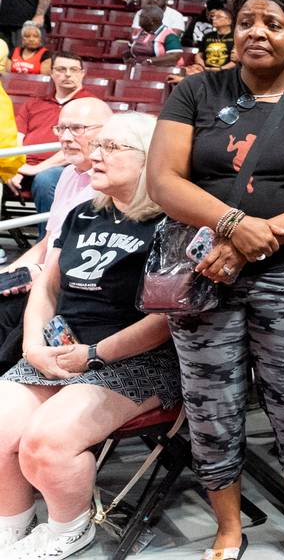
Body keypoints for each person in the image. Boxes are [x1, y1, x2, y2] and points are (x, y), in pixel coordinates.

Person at [148, 0, 284, 560]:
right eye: (246, 22)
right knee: (212, 403)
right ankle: (229, 529)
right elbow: (165, 183)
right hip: (203, 271)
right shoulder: (194, 91)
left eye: (273, 24)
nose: (257, 32)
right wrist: (234, 224)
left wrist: (256, 240)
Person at [0, 112, 179, 559]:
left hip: (136, 359)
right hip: (62, 349)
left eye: (111, 148)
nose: (93, 155)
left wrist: (94, 354)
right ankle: (13, 524)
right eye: (97, 146)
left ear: (148, 159)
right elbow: (47, 286)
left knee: (47, 442)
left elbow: (164, 320)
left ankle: (69, 529)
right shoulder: (84, 212)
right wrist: (32, 345)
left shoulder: (170, 223)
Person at [0, 98, 112, 371]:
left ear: (108, 130)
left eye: (77, 129)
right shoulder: (68, 176)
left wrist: (41, 273)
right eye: (60, 129)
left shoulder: (112, 185)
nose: (65, 138)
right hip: (43, 277)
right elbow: (46, 243)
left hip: (68, 289)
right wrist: (7, 275)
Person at [11, 52, 94, 229]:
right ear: (52, 73)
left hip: (64, 168)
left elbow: (78, 148)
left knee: (46, 179)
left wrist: (35, 169)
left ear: (82, 73)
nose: (68, 74)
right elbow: (16, 137)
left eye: (73, 69)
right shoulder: (34, 103)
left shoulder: (89, 105)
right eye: (61, 69)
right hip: (25, 166)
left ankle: (48, 244)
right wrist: (14, 166)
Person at [196, 6, 235, 71]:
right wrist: (202, 67)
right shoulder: (207, 36)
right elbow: (199, 55)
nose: (214, 18)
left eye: (218, 17)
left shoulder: (235, 37)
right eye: (213, 16)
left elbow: (237, 61)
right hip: (206, 71)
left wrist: (219, 69)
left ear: (229, 21)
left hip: (227, 72)